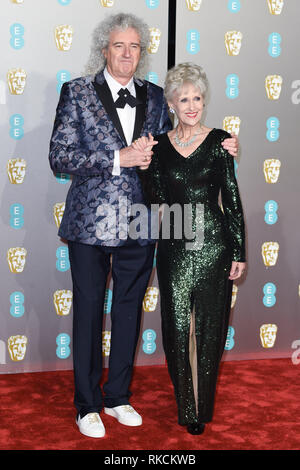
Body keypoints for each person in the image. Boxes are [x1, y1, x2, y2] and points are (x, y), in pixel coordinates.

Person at [49, 13, 239, 439]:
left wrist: (224, 145)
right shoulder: (77, 92)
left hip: (140, 222)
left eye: (135, 46)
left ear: (142, 52)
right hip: (89, 225)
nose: (127, 54)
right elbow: (59, 156)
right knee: (88, 313)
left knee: (129, 312)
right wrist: (119, 158)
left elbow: (181, 145)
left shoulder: (155, 96)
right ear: (105, 49)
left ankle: (117, 396)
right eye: (119, 45)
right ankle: (87, 405)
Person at [135, 62, 246, 435]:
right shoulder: (160, 147)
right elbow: (156, 201)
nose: (193, 105)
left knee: (211, 330)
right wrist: (145, 166)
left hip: (215, 245)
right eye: (184, 99)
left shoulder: (220, 141)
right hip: (174, 246)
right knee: (177, 327)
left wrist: (240, 252)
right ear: (171, 104)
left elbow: (231, 199)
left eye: (197, 97)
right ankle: (186, 406)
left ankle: (203, 406)